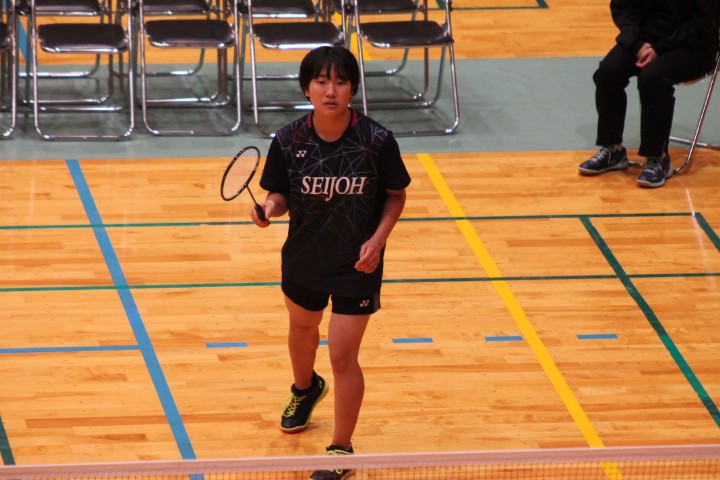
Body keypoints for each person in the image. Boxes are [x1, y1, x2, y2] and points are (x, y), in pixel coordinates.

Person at [251, 45, 411, 480]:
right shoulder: (288, 140)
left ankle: (342, 449)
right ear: (307, 88)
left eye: (340, 82)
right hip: (304, 258)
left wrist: (378, 240)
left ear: (352, 88)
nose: (330, 91)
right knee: (302, 328)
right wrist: (269, 209)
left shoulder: (376, 141)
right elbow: (280, 193)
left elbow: (396, 196)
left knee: (343, 356)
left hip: (357, 264)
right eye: (321, 82)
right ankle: (305, 389)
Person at [578, 0, 719, 188]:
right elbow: (622, 7)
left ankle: (658, 157)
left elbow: (702, 27)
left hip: (693, 46)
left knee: (652, 79)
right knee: (608, 72)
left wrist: (658, 50)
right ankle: (613, 149)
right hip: (645, 41)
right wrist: (637, 44)